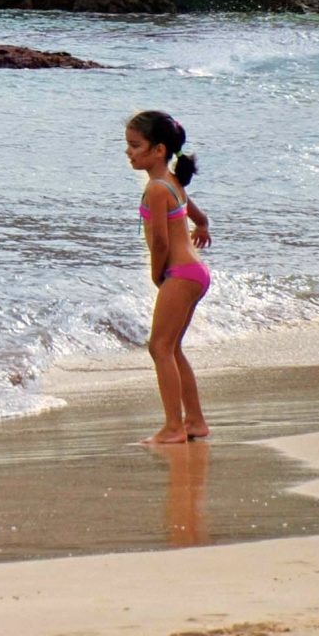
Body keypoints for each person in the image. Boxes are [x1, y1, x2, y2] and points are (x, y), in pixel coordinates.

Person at [127, 109, 212, 445]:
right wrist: (202, 226)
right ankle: (194, 422)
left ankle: (173, 428)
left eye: (135, 146)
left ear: (158, 149)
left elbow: (160, 240)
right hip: (196, 272)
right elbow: (198, 215)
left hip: (180, 274)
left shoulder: (156, 190)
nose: (128, 152)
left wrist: (155, 271)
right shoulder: (172, 182)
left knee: (159, 347)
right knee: (173, 347)